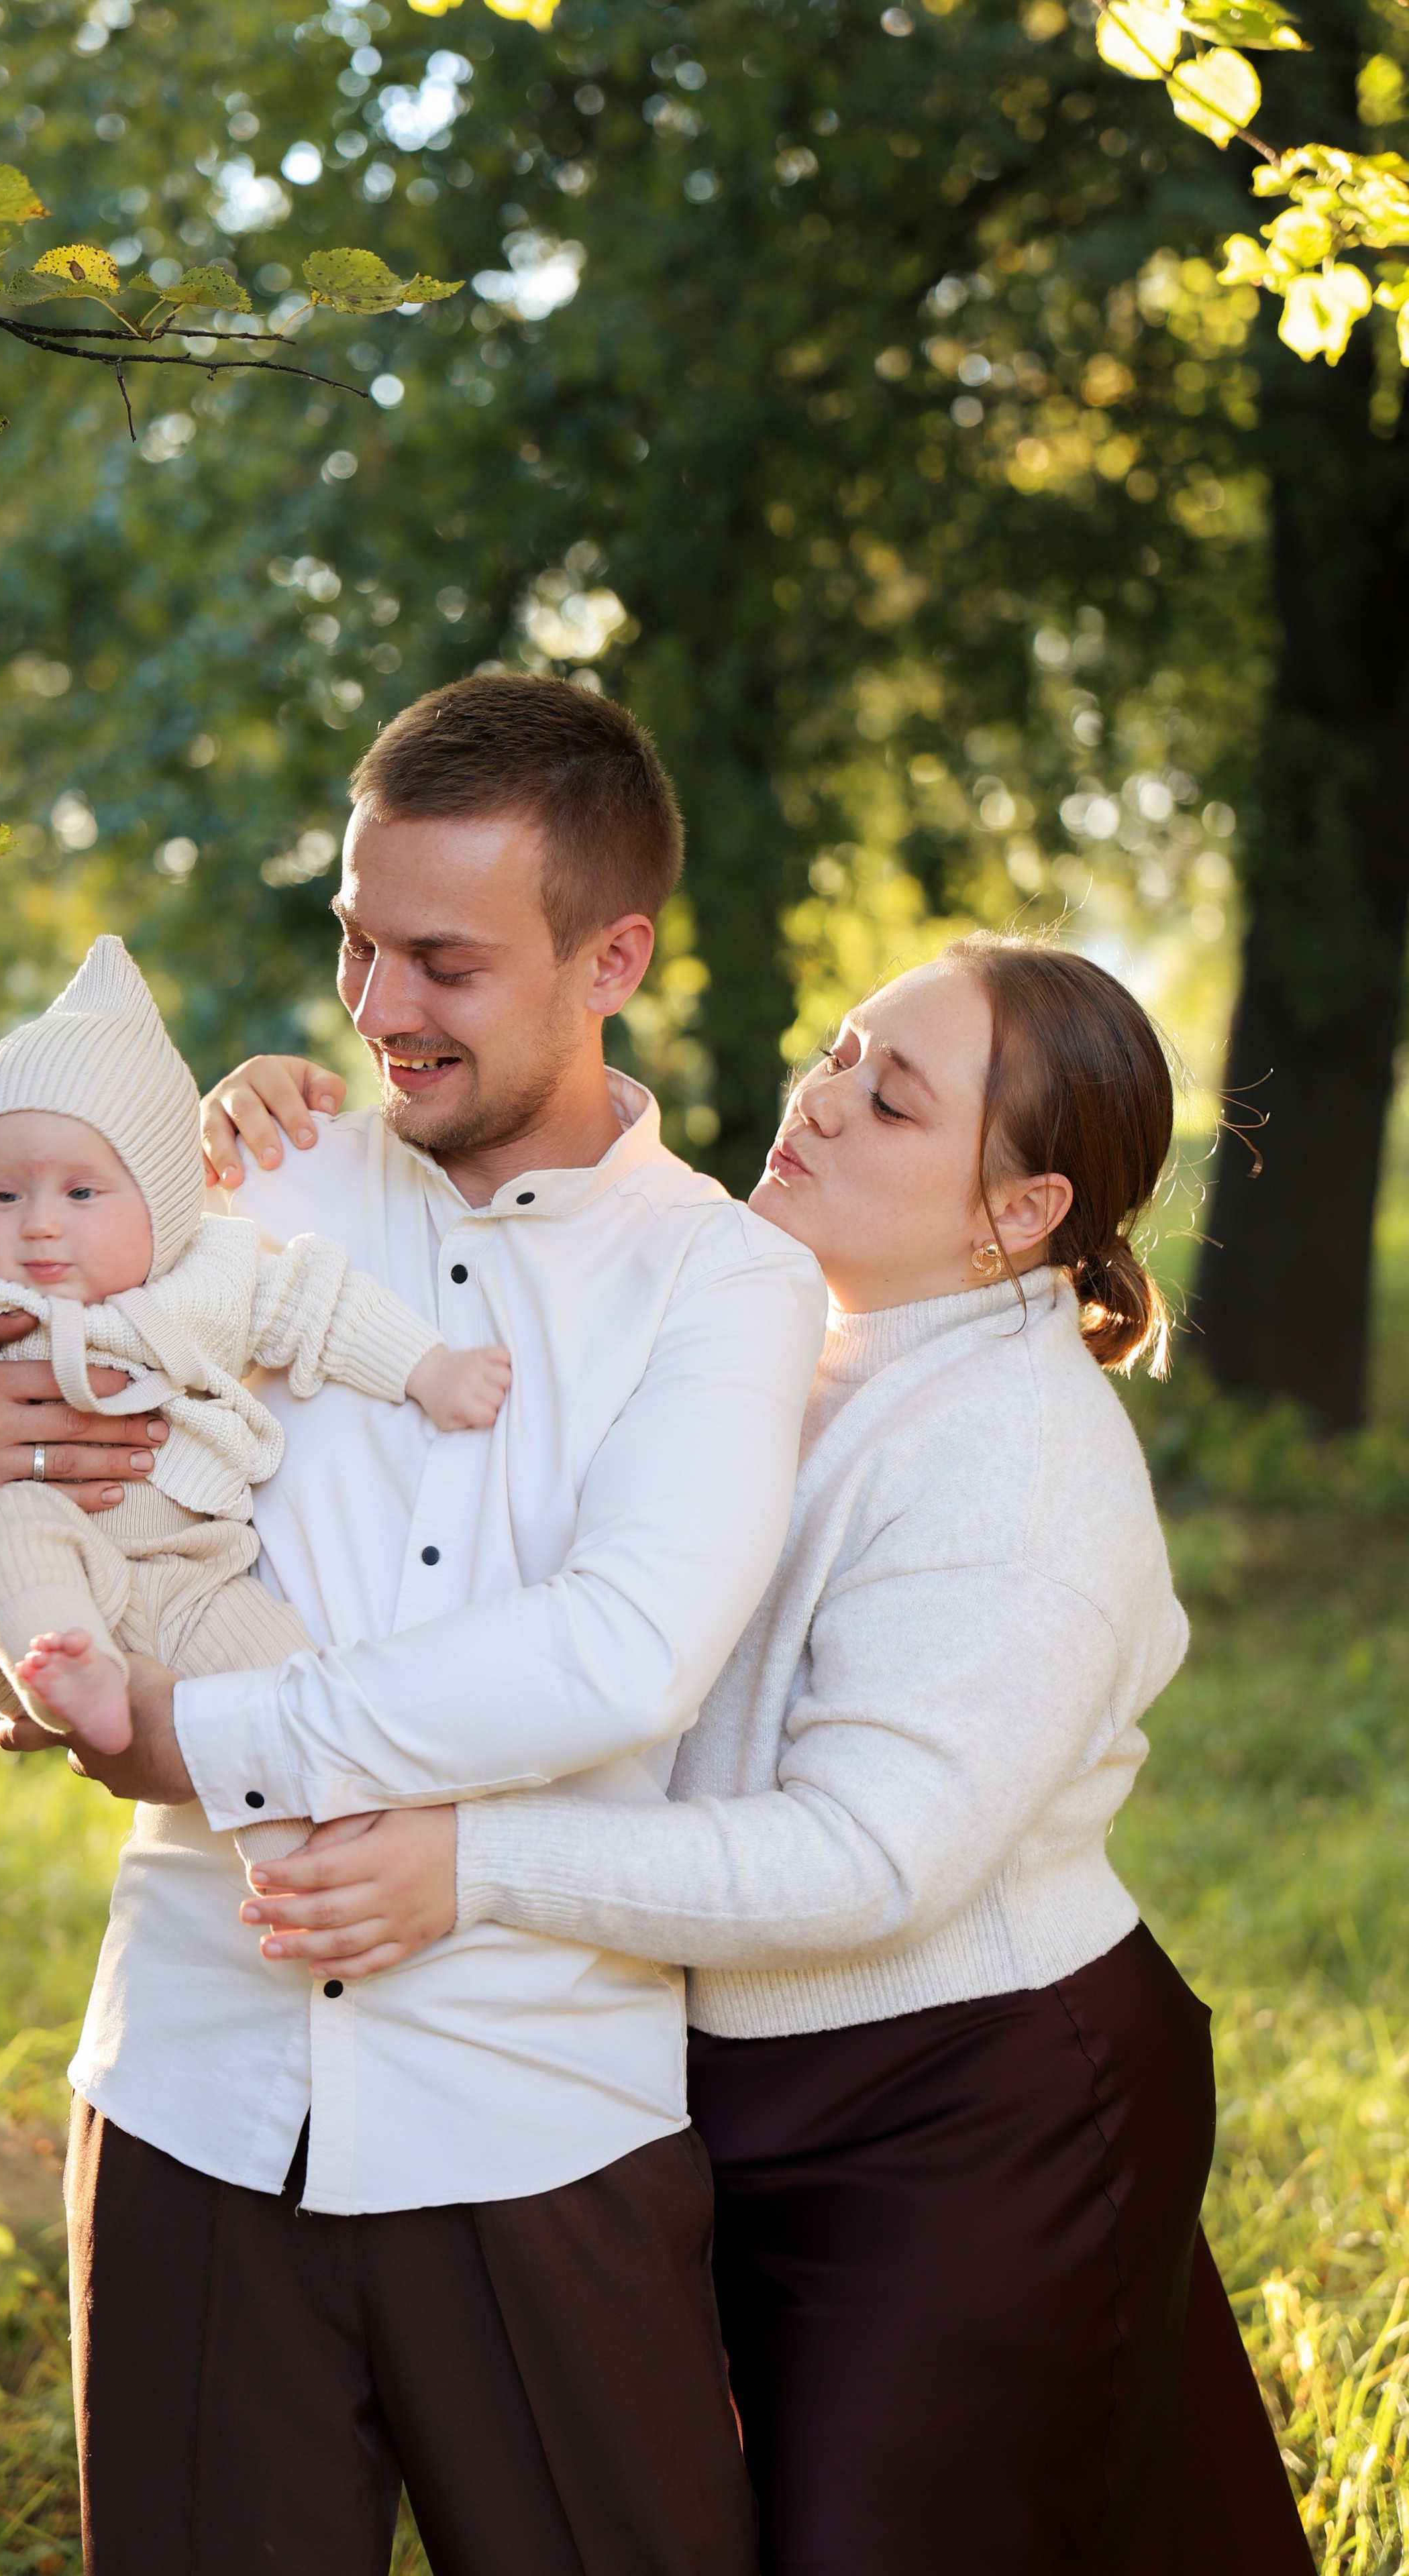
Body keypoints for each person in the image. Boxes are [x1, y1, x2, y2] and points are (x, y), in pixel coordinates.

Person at [0, 675, 831, 2576]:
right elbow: (60, 1529)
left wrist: (204, 1742)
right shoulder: (236, 1190)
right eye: (357, 946)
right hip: (194, 2095)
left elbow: (624, 1650)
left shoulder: (729, 1282)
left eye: (445, 963)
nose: (379, 1010)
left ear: (610, 955)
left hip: (537, 2117)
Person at [242, 932, 1311, 2574]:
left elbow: (870, 1858)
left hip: (965, 2102)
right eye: (834, 1054)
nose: (814, 1103)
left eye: (887, 1101)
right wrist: (270, 1155)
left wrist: (474, 1864)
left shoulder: (1011, 1460)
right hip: (735, 2077)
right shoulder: (775, 1336)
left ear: (1015, 1212)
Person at [0, 934, 503, 1768]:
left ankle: (312, 1857)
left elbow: (321, 1304)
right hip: (20, 1584)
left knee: (293, 1707)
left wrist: (429, 1369)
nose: (40, 1222)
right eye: (2, 1195)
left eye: (82, 1193)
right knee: (12, 1527)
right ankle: (68, 1670)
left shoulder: (213, 1271)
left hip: (197, 1582)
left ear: (162, 1199)